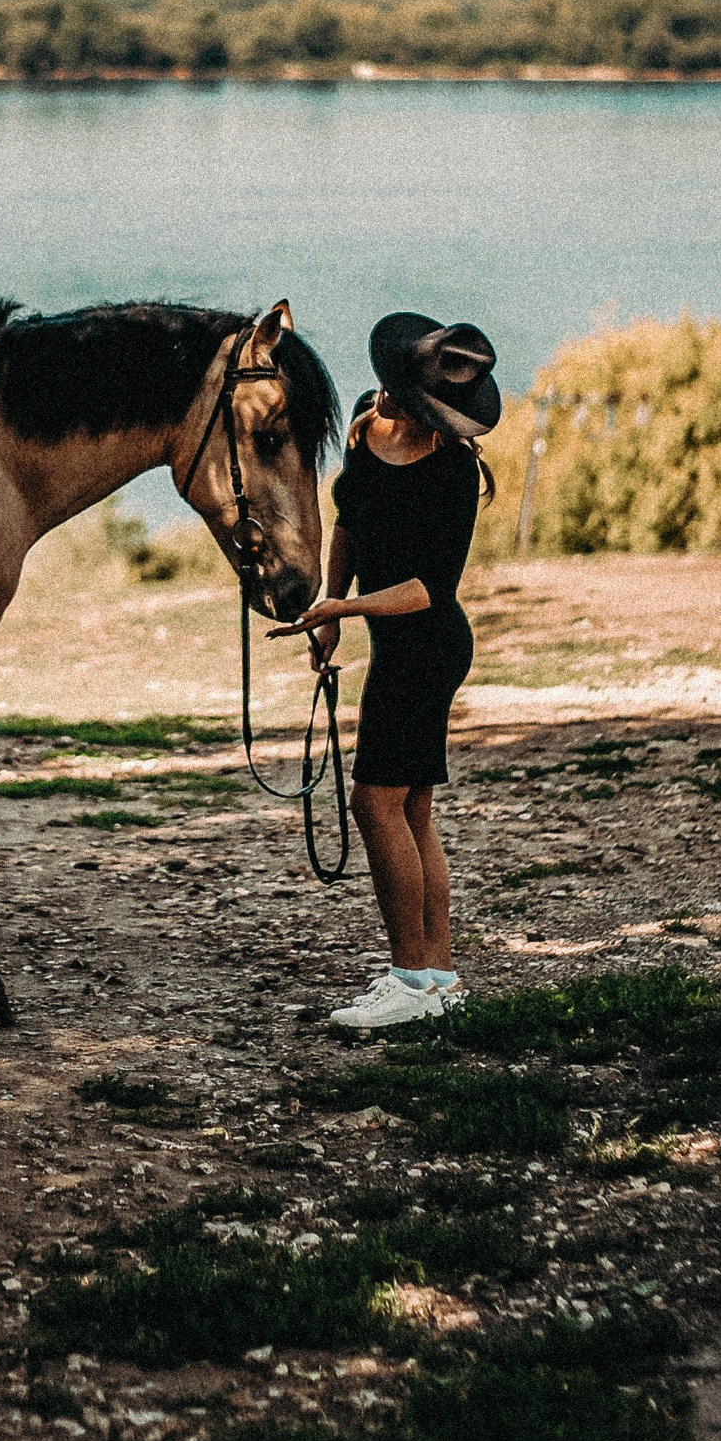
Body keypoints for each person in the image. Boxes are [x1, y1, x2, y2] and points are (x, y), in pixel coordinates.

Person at [272, 313, 500, 1028]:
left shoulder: (453, 472)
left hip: (429, 645)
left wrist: (349, 600)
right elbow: (349, 520)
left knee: (375, 804)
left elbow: (429, 589)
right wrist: (330, 609)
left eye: (405, 389)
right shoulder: (368, 428)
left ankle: (409, 979)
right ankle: (436, 980)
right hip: (395, 645)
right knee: (411, 808)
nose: (387, 394)